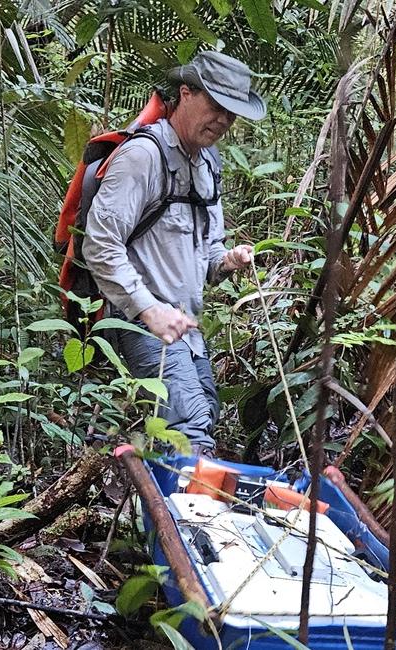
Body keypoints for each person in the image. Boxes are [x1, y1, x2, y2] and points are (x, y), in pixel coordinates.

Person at [82, 52, 266, 455]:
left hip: (185, 329)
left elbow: (207, 253)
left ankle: (153, 506)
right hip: (141, 322)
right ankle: (190, 519)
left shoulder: (207, 164)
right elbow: (99, 244)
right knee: (191, 429)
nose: (223, 121)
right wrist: (149, 310)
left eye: (231, 114)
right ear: (186, 93)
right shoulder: (143, 157)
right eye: (216, 107)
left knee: (204, 414)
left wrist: (227, 260)